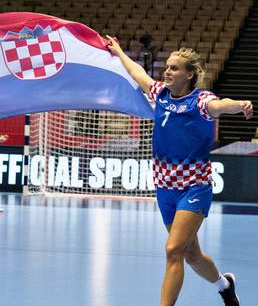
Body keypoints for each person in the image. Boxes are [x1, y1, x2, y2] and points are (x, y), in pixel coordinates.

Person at [106, 38, 250, 306]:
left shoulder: (201, 100)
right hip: (165, 187)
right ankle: (225, 285)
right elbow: (138, 74)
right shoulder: (160, 93)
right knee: (191, 255)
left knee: (173, 250)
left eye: (174, 68)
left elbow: (220, 106)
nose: (167, 72)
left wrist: (239, 104)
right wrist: (118, 52)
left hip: (194, 186)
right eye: (167, 67)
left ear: (189, 74)